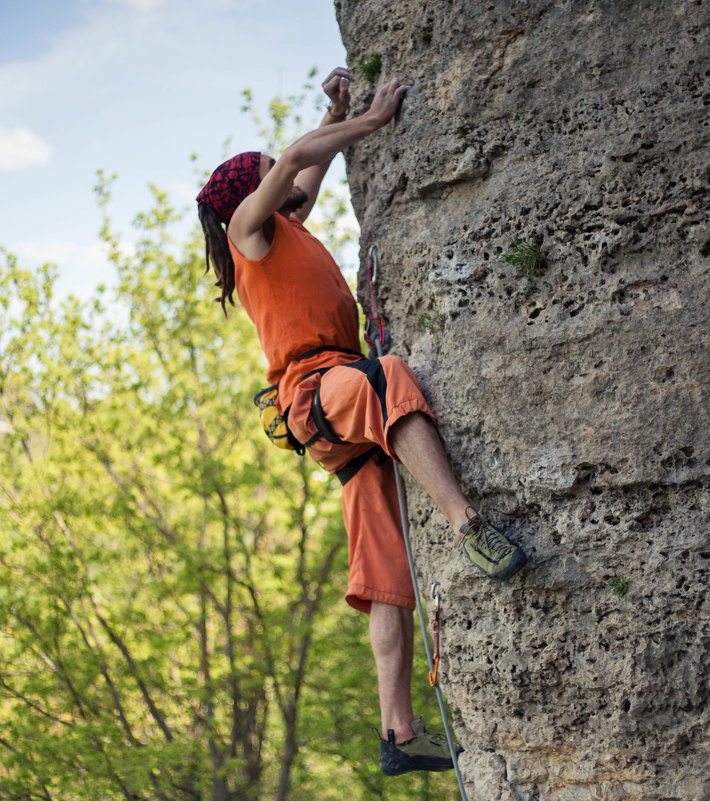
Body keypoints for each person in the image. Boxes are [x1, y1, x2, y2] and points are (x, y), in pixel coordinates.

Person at [196, 67, 527, 776]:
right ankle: (470, 524)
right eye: (265, 175)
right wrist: (372, 120)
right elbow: (292, 160)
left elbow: (304, 169)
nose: (284, 179)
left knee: (383, 571)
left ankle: (397, 733)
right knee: (389, 377)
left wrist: (338, 111)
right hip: (316, 389)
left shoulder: (283, 226)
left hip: (330, 406)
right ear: (247, 196)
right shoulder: (248, 233)